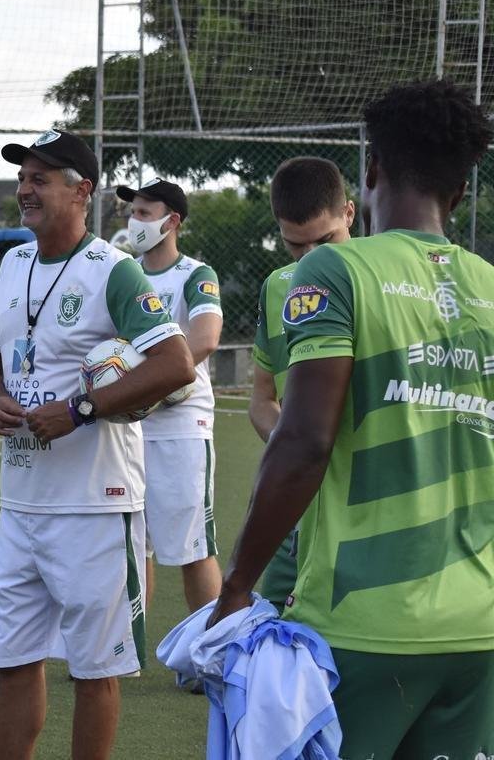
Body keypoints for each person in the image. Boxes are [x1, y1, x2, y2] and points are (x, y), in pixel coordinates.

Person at [210, 79, 494, 759]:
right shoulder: (490, 286)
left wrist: (239, 584)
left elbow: (305, 438)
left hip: (365, 625)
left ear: (370, 171)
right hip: (481, 629)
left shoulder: (334, 272)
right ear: (460, 190)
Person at [0, 129, 194, 760]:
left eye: (40, 178)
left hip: (96, 505)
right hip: (21, 505)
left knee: (96, 672)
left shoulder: (114, 271)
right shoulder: (13, 265)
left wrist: (80, 409)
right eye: (22, 178)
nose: (24, 190)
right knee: (14, 663)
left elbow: (175, 364)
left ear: (82, 190)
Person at [249, 157, 353, 610]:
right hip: (302, 498)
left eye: (326, 240)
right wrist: (294, 445)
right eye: (296, 246)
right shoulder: (277, 288)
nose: (312, 259)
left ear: (349, 213)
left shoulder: (377, 281)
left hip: (362, 504)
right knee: (263, 626)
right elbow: (261, 400)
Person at [116, 179, 223, 617]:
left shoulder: (195, 274)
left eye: (144, 213)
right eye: (133, 213)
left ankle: (211, 655)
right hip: (129, 427)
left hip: (181, 427)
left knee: (192, 545)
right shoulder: (122, 273)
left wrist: (151, 383)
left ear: (171, 221)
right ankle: (123, 651)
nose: (134, 221)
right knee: (133, 546)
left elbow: (206, 337)